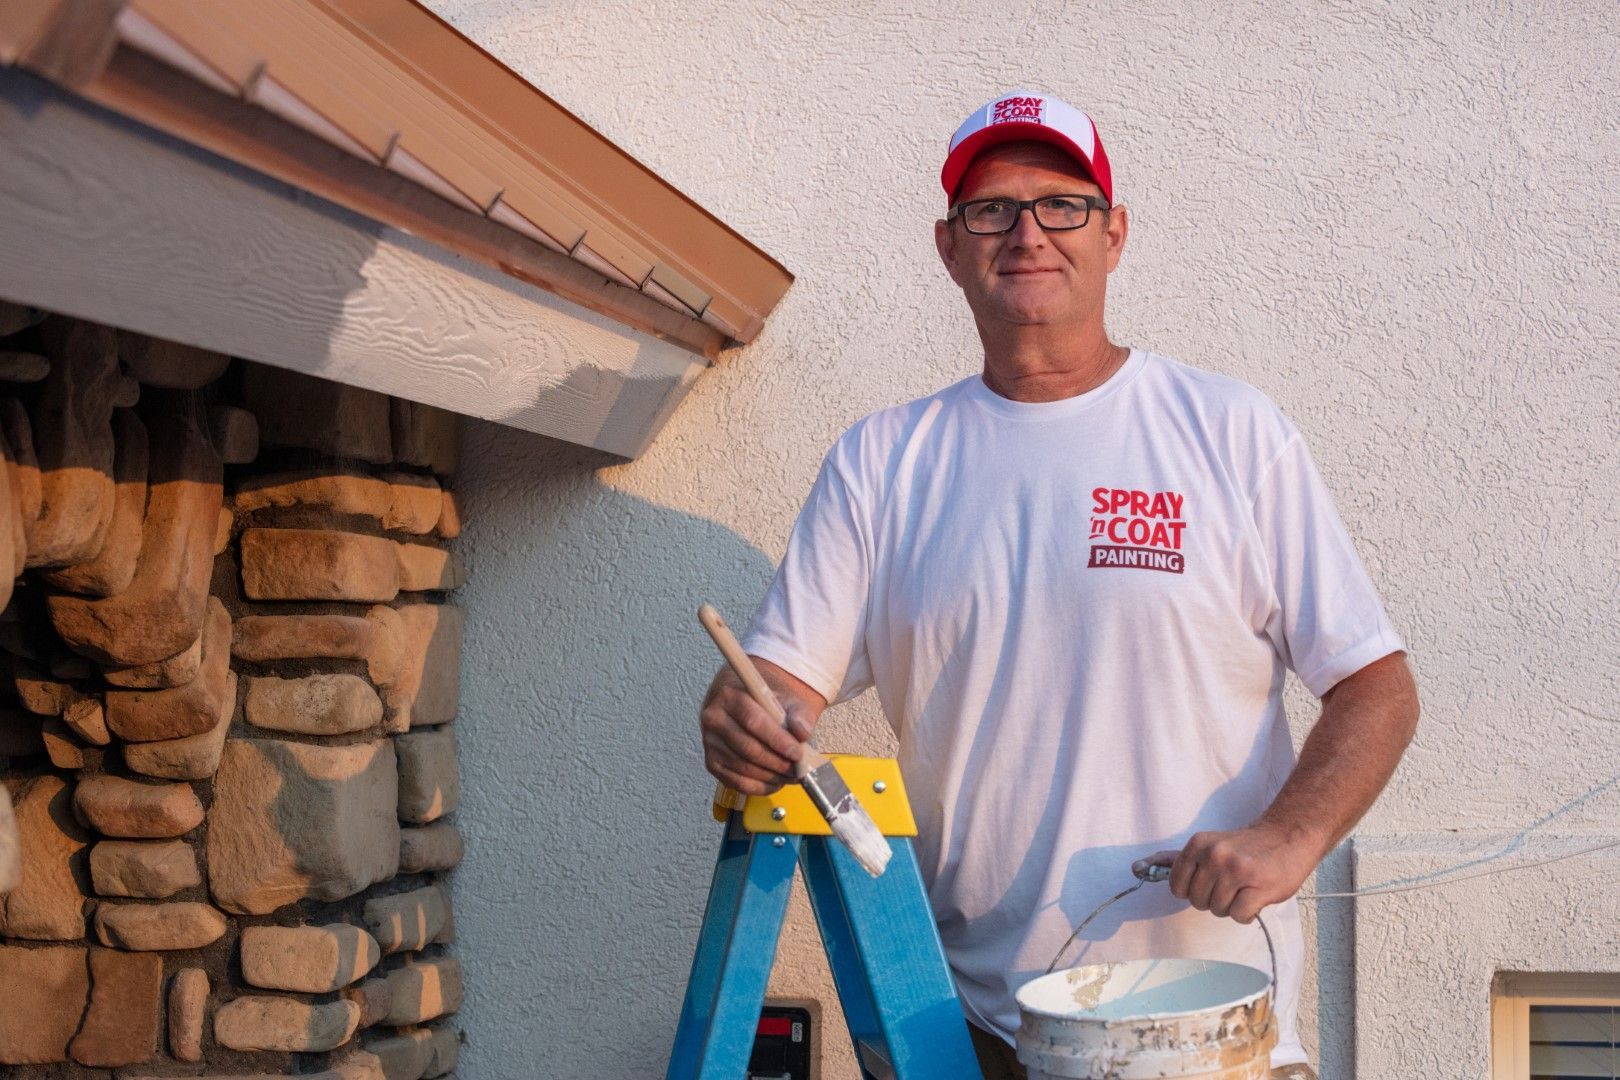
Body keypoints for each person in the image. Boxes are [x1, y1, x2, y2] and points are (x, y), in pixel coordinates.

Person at [697, 89, 1419, 1077]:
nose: (1028, 231)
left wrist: (1288, 839)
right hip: (980, 1037)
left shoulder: (1231, 433)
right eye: (991, 210)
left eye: (1062, 204)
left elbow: (1376, 685)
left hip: (1213, 1039)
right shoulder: (884, 462)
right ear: (950, 248)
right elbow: (776, 682)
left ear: (1114, 234)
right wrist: (745, 716)